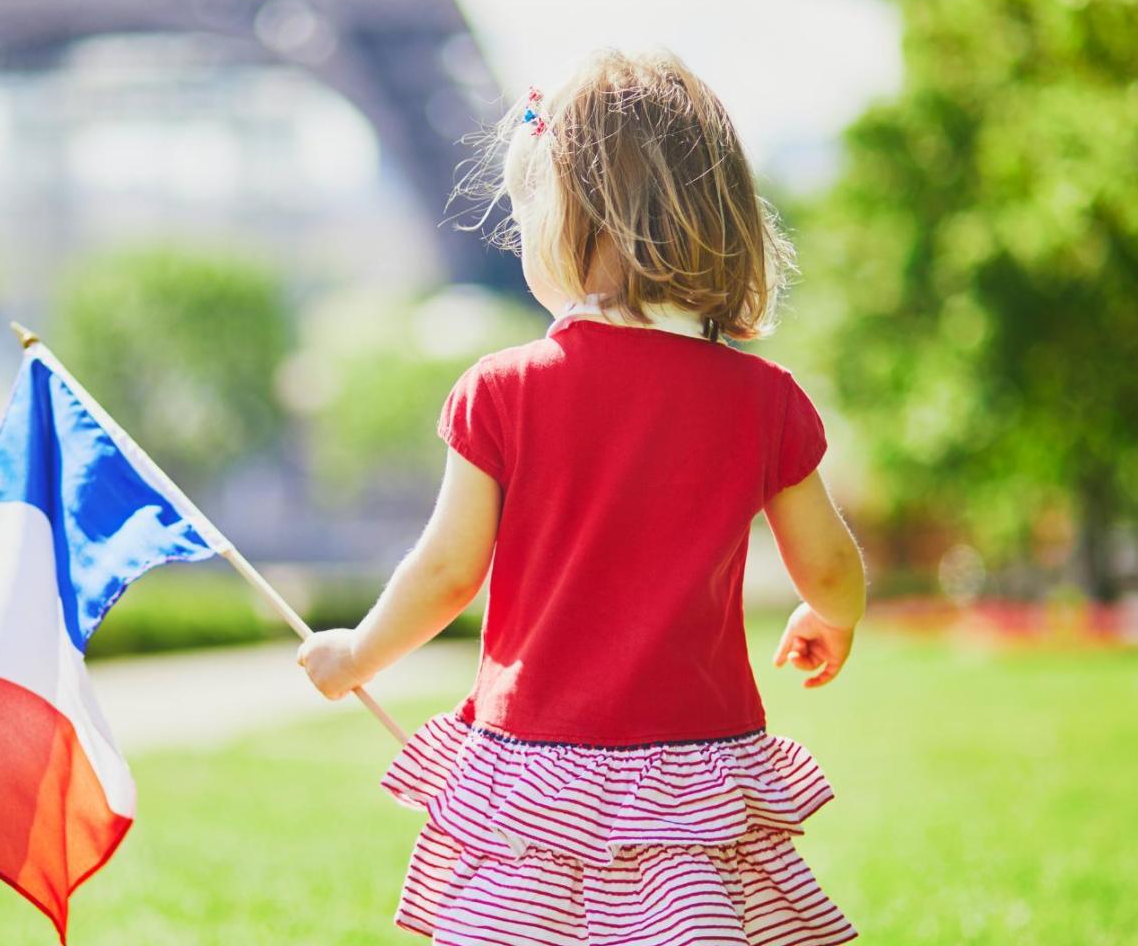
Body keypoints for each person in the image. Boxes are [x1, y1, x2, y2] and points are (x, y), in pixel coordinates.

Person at [297, 46, 865, 945]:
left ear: (567, 221)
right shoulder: (766, 401)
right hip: (692, 773)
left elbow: (449, 572)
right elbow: (830, 564)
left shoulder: (502, 390)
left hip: (536, 771)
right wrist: (831, 617)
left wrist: (358, 654)